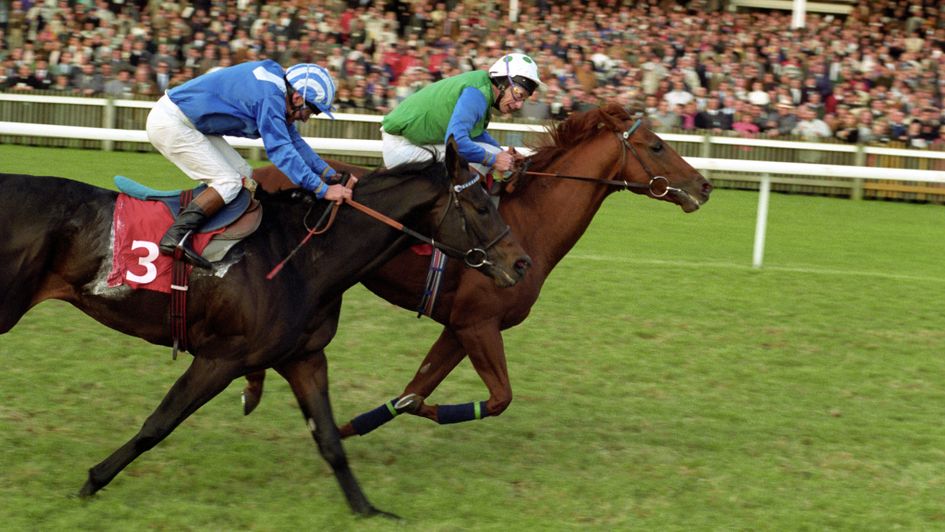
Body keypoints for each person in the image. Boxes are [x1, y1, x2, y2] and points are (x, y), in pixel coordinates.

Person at [146, 61, 351, 268]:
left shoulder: (278, 87)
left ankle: (218, 236)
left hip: (188, 122)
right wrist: (322, 189)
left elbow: (294, 141)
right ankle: (175, 236)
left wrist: (327, 172)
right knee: (229, 182)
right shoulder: (270, 97)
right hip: (171, 124)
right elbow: (281, 151)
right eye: (310, 112)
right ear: (297, 97)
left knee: (245, 176)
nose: (306, 119)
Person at [379, 52, 542, 175]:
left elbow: (477, 134)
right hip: (403, 147)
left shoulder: (482, 87)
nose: (519, 104)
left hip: (413, 143)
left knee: (490, 153)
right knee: (484, 159)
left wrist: (503, 154)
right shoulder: (476, 93)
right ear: (503, 82)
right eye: (518, 94)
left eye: (524, 99)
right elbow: (456, 143)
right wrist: (495, 159)